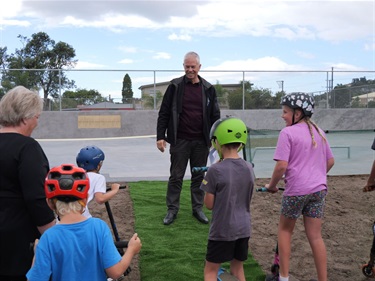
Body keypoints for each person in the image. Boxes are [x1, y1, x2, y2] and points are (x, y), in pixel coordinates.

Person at [26, 164, 142, 281]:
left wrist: (37, 252)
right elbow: (115, 272)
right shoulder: (99, 228)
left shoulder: (48, 238)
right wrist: (131, 249)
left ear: (50, 203)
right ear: (85, 199)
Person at [264, 92, 335, 281]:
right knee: (315, 236)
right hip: (318, 191)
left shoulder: (287, 133)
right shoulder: (319, 132)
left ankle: (284, 278)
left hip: (296, 191)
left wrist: (271, 185)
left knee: (285, 231)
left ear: (298, 113)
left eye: (285, 112)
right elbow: (330, 161)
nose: (282, 116)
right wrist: (315, 176)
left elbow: (281, 166)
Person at [156, 51, 221, 225]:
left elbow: (215, 115)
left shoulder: (208, 89)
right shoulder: (175, 86)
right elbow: (164, 113)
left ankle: (197, 208)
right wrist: (160, 136)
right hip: (180, 140)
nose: (190, 69)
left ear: (199, 67)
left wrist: (215, 139)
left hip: (201, 141)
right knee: (176, 176)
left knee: (198, 176)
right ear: (183, 66)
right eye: (187, 66)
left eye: (193, 66)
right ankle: (172, 210)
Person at [0, 86, 56, 281]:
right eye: (36, 117)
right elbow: (37, 198)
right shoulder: (27, 148)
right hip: (16, 244)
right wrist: (52, 233)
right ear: (25, 118)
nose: (36, 122)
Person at [200, 117, 254, 281]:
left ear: (217, 141)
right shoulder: (249, 167)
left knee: (210, 270)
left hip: (222, 230)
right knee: (237, 268)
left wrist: (208, 177)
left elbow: (209, 204)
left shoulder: (215, 170)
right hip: (244, 228)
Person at [76, 145, 120, 218]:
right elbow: (100, 199)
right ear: (98, 164)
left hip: (63, 215)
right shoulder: (98, 177)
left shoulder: (75, 175)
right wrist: (115, 190)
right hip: (81, 215)